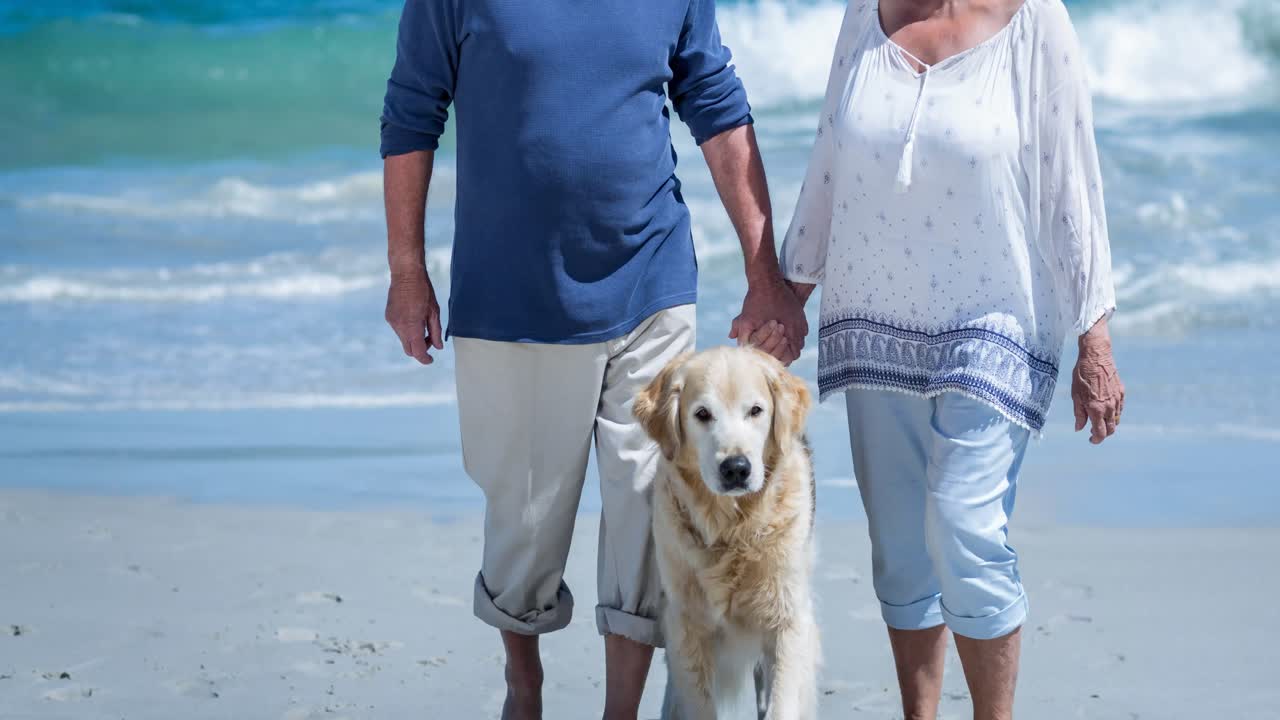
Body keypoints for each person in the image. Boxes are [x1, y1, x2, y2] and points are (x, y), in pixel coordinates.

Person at [379, 0, 807, 717]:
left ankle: (621, 710)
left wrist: (766, 275)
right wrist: (406, 271)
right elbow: (412, 110)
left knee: (649, 508)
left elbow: (715, 101)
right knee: (525, 515)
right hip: (511, 295)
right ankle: (525, 683)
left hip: (651, 278)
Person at [779, 0, 1125, 718]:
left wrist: (1096, 335)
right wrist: (788, 294)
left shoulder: (1035, 21)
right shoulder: (864, 16)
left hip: (992, 313)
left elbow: (1072, 182)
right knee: (900, 543)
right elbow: (827, 160)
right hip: (875, 314)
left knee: (964, 525)